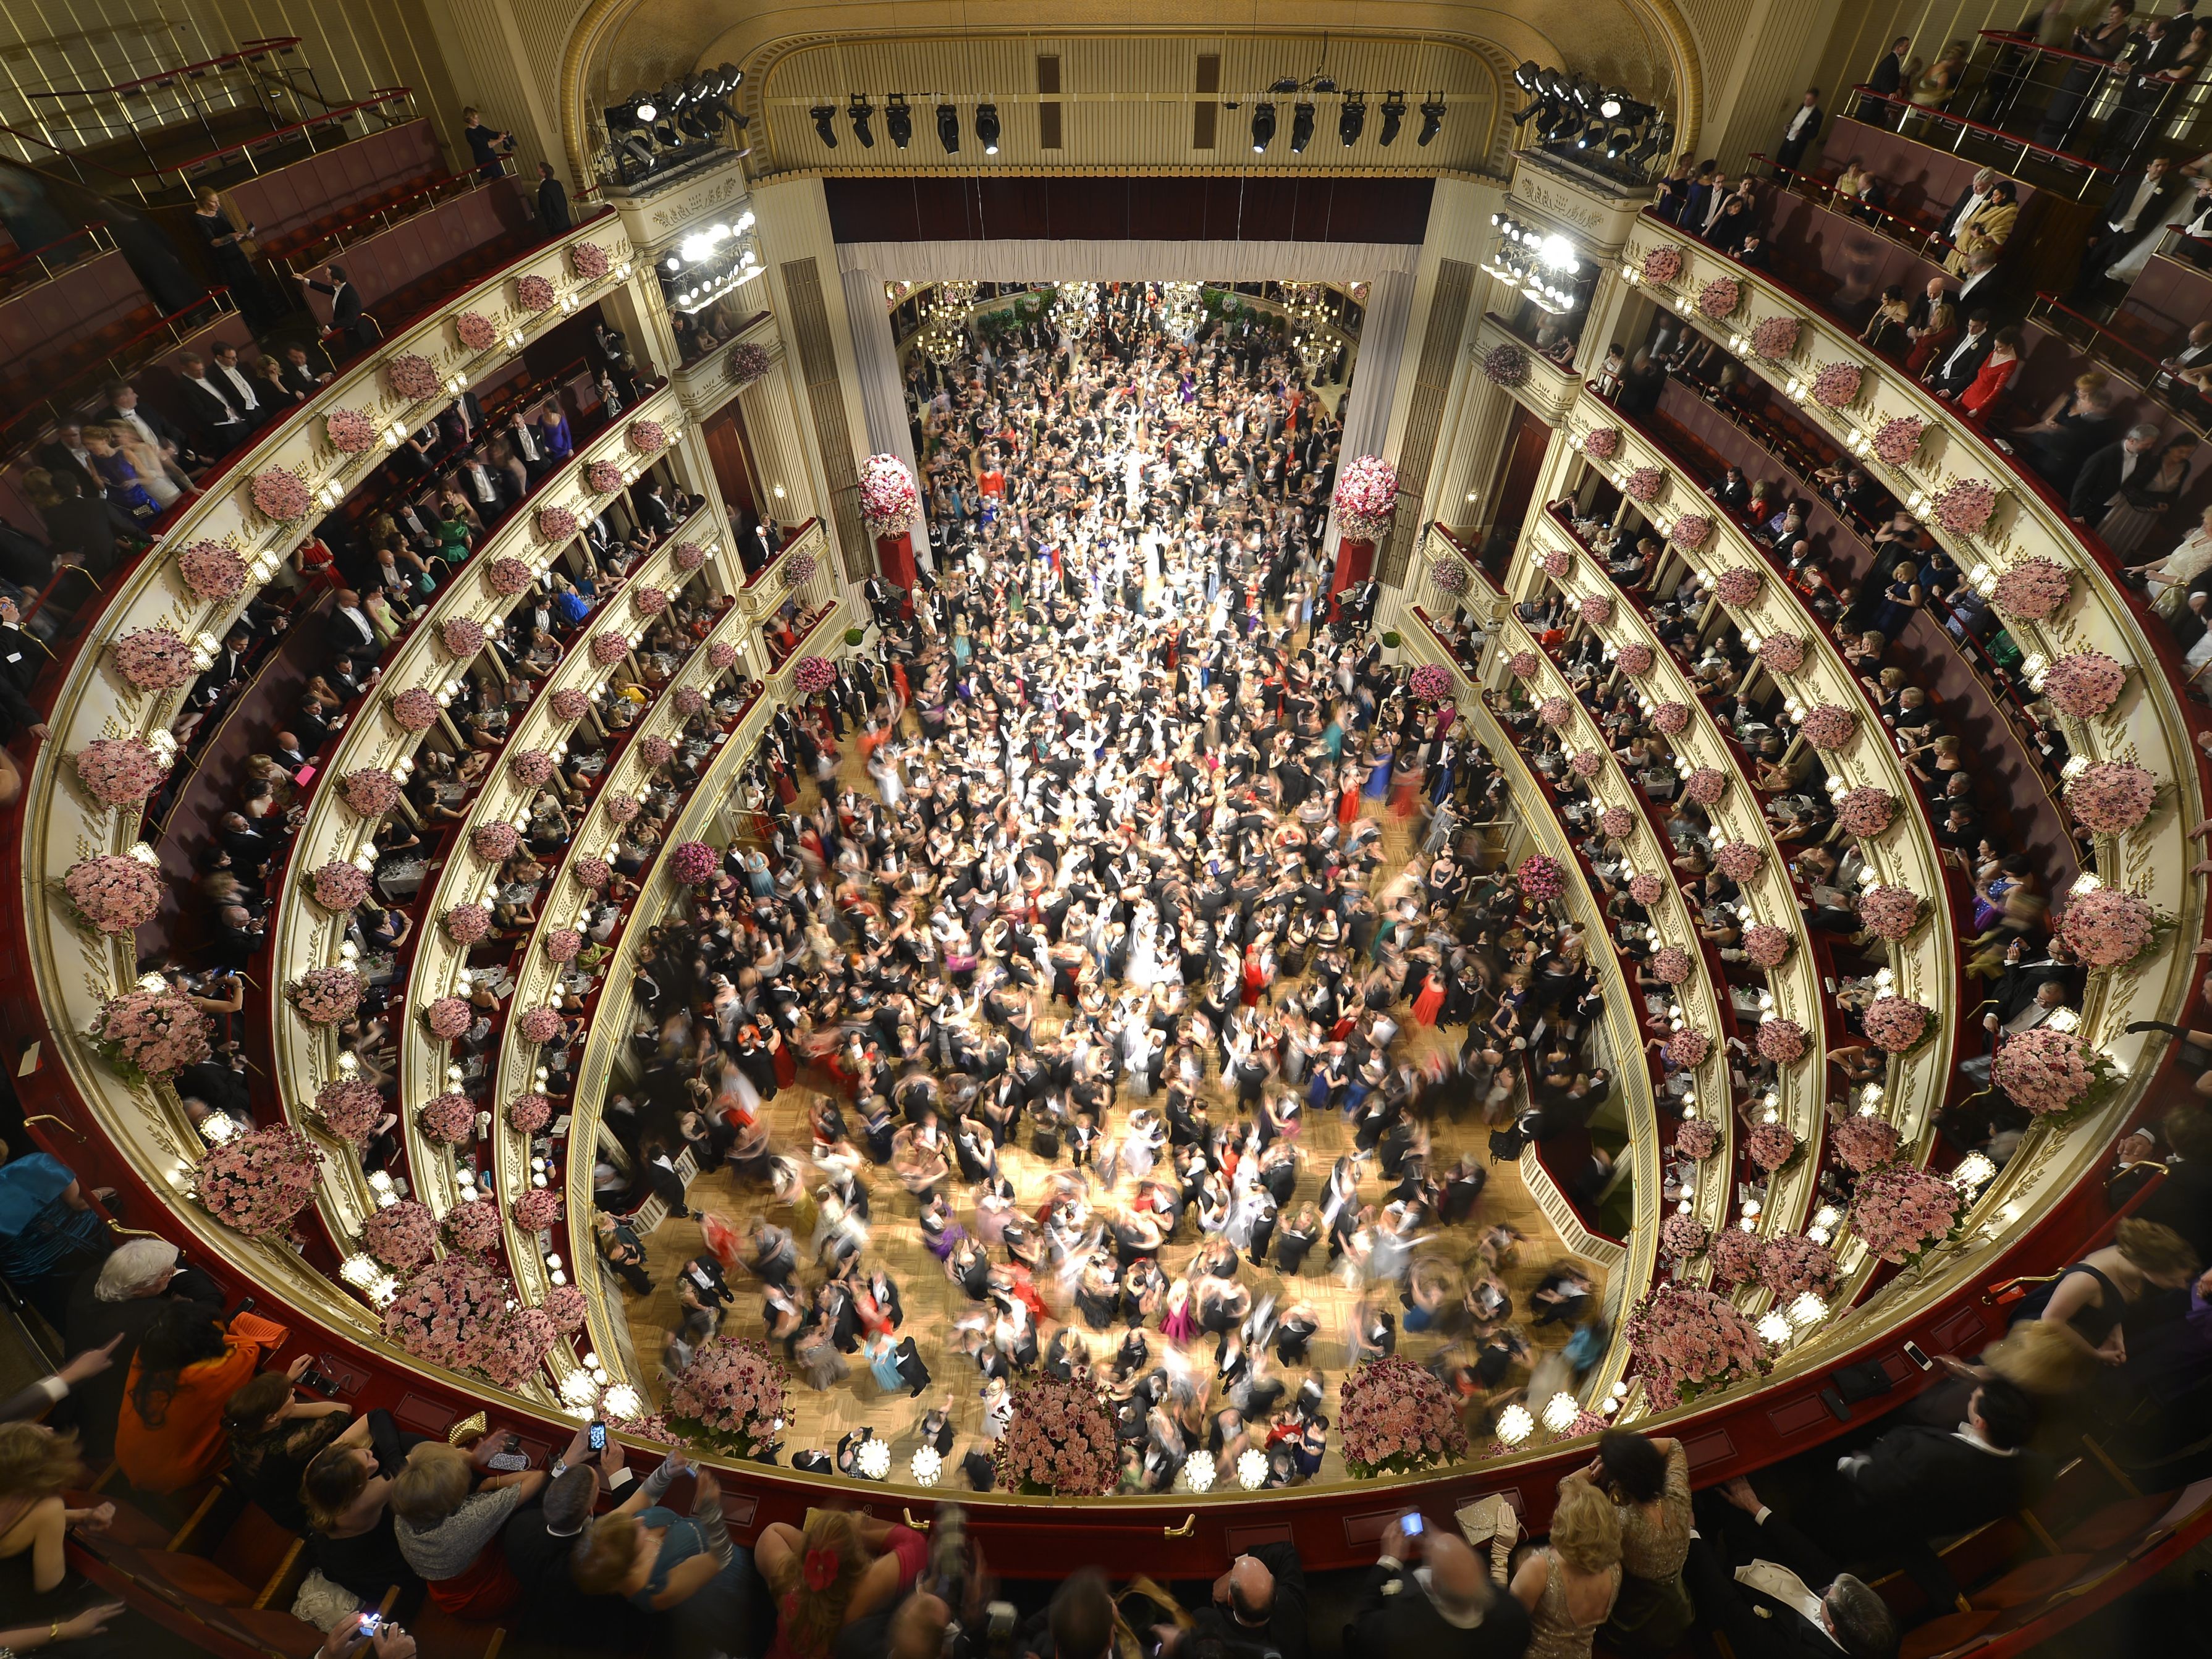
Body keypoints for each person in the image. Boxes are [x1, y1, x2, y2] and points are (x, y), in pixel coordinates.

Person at [565, 1447, 758, 1659]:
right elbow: (720, 1557)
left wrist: (666, 1471)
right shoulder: (656, 1591)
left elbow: (645, 1496)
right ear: (629, 1562)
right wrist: (711, 1510)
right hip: (729, 1584)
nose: (638, 1520)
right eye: (635, 1529)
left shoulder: (605, 1533)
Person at [1682, 1478, 1897, 1659]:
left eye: (1827, 1593)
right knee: (1727, 1482)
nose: (1826, 1587)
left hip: (1731, 1587)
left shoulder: (1789, 1652)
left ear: (1831, 1627)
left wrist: (1691, 1532)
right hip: (1768, 1558)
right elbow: (1814, 1559)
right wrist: (1755, 1507)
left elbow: (1728, 1605)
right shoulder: (1876, 1628)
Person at [60, 1239, 226, 1462]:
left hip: (78, 1398)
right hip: (112, 1421)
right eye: (166, 1273)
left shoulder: (93, 1277)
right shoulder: (153, 1318)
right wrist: (180, 1288)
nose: (171, 1273)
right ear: (141, 1288)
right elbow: (212, 1304)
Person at [113, 1302, 290, 1494]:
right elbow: (248, 1348)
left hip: (127, 1453)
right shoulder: (215, 1372)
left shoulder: (150, 1349)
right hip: (170, 1475)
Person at [2007, 1217, 2201, 1363]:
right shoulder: (2087, 1281)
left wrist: (2115, 1335)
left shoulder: (2135, 1269)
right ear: (2151, 1267)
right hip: (2037, 1347)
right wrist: (2096, 1354)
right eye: (2174, 1280)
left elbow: (2116, 1304)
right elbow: (2051, 1322)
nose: (2183, 1286)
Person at [390, 1437, 544, 1616]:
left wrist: (473, 1458)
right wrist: (491, 1483)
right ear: (452, 1498)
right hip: (486, 1595)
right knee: (530, 1520)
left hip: (444, 1590)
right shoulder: (467, 1521)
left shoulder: (404, 1512)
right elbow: (537, 1478)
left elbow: (419, 1460)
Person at [1343, 1514, 1530, 1659]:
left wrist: (1389, 1560)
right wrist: (1441, 1544)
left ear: (1434, 1586)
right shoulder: (1515, 1618)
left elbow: (1364, 1625)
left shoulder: (1398, 1632)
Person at [757, 1508, 927, 1659]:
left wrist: (818, 1549)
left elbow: (773, 1531)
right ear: (858, 1558)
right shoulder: (867, 1590)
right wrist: (862, 1526)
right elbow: (917, 1543)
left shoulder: (789, 1589)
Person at [0, 1141, 111, 1334]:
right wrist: (104, 1193)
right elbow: (80, 1204)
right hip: (91, 1248)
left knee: (86, 1329)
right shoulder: (36, 1165)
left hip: (43, 1279)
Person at [1511, 1478, 1621, 1659]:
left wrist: (1500, 1557)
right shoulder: (1615, 1568)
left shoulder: (1539, 1568)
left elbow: (1506, 1627)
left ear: (1562, 1521)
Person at [2074, 155, 2182, 298]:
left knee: (2109, 266)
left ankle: (2090, 296)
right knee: (2091, 260)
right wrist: (2095, 232)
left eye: (2165, 165)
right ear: (2149, 166)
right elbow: (2111, 205)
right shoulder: (2132, 181)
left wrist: (2140, 234)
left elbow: (2157, 214)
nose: (2161, 168)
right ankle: (2076, 292)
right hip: (2111, 228)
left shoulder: (2167, 187)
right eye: (2158, 165)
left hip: (2130, 233)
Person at [1179, 1542, 1309, 1659]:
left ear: (1230, 1599)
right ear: (1275, 1597)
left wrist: (1235, 1570)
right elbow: (1285, 1551)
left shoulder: (1205, 1621)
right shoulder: (1292, 1605)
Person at [298, 264, 374, 355]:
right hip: (350, 332)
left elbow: (350, 320)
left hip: (360, 334)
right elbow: (323, 288)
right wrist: (304, 279)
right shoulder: (340, 287)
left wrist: (330, 327)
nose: (325, 275)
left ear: (336, 281)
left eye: (327, 275)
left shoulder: (349, 295)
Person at [1772, 88, 1823, 176]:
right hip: (1789, 138)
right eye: (1805, 99)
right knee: (1780, 160)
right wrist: (1788, 126)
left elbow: (1814, 133)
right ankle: (1773, 179)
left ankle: (1783, 185)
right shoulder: (1801, 107)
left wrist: (1802, 133)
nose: (1806, 101)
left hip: (1798, 143)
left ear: (1815, 100)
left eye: (1809, 99)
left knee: (1789, 165)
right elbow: (1796, 121)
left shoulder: (1818, 115)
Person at [462, 108, 514, 177]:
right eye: (475, 118)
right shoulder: (469, 133)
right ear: (470, 119)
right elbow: (485, 145)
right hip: (483, 160)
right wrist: (498, 140)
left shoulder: (480, 128)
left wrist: (503, 134)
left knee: (500, 177)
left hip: (491, 157)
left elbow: (492, 134)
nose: (478, 120)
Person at [536, 161, 572, 234]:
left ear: (543, 172)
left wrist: (549, 224)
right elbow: (564, 201)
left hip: (555, 224)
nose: (537, 169)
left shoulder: (544, 187)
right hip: (565, 219)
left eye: (539, 168)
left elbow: (546, 208)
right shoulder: (557, 183)